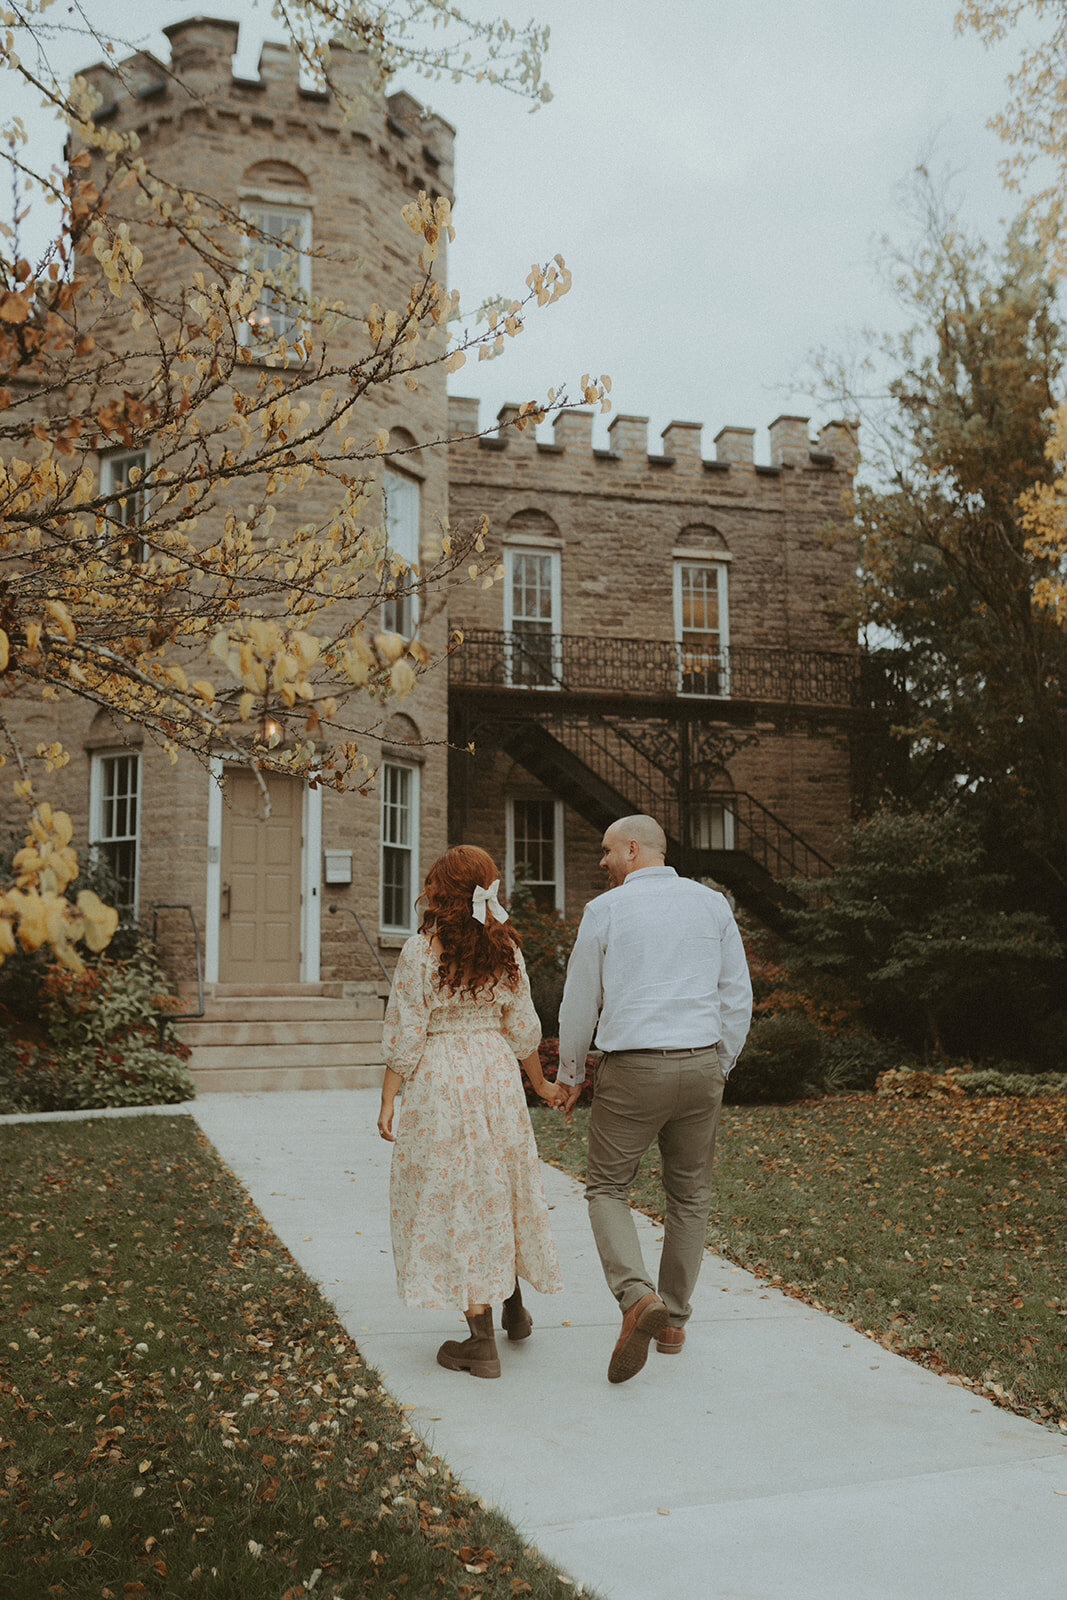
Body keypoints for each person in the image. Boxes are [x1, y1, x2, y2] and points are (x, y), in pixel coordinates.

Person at [556, 814, 752, 1383]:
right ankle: (673, 1322)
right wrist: (719, 1063)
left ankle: (638, 1298)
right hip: (699, 1064)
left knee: (608, 1186)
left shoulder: (607, 911)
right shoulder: (713, 905)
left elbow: (579, 1001)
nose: (602, 861)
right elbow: (736, 994)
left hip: (634, 1068)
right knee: (689, 1195)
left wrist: (571, 1074)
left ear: (634, 849)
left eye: (606, 850)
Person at [377, 845, 565, 1379]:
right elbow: (523, 1026)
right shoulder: (506, 948)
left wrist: (389, 1096)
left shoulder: (421, 951)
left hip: (442, 1079)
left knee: (458, 1192)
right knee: (499, 1183)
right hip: (496, 1074)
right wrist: (542, 1085)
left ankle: (480, 1341)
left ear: (442, 891)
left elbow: (406, 1032)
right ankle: (513, 1307)